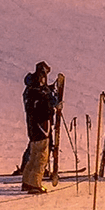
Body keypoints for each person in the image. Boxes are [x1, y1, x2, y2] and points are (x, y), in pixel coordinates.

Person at [21, 63, 62, 194]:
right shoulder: (38, 92)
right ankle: (35, 183)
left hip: (33, 129)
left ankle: (27, 181)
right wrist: (53, 107)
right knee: (41, 157)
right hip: (41, 128)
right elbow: (43, 108)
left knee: (33, 156)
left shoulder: (30, 90)